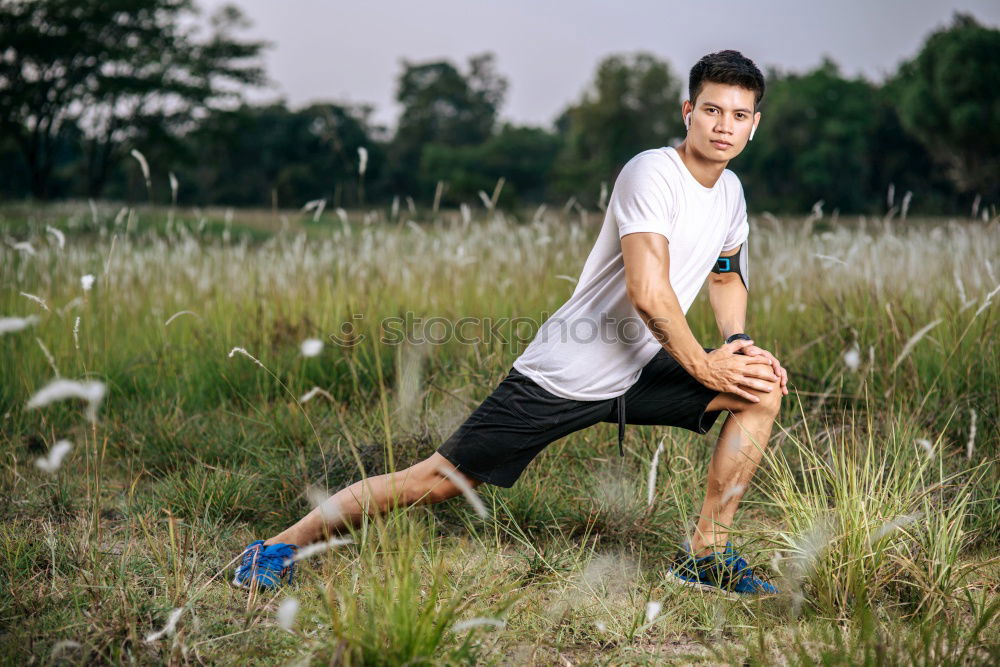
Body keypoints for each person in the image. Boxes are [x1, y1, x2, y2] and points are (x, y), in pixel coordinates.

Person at [232, 49, 789, 596]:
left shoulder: (731, 193)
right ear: (687, 111)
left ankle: (703, 555)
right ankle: (276, 547)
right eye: (712, 110)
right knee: (438, 480)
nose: (724, 126)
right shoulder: (652, 173)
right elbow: (648, 292)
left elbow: (725, 274)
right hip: (569, 371)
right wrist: (705, 368)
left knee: (760, 390)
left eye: (739, 115)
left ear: (755, 125)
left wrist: (737, 344)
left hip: (640, 367)